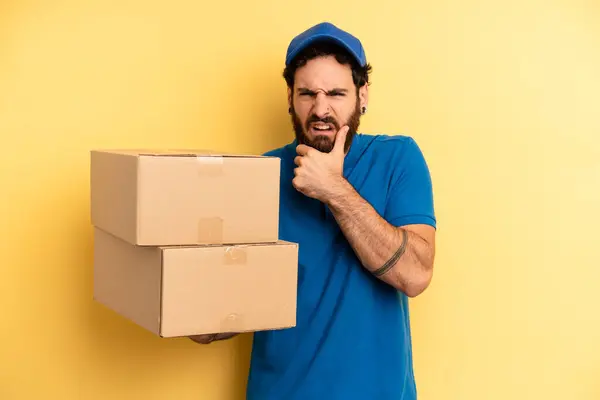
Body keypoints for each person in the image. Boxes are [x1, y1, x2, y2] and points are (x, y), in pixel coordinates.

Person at [190, 22, 437, 399]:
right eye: (307, 93)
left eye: (336, 93)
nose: (320, 109)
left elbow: (416, 273)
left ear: (363, 95)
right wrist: (196, 313)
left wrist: (332, 190)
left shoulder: (398, 158)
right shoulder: (259, 175)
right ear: (290, 97)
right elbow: (229, 309)